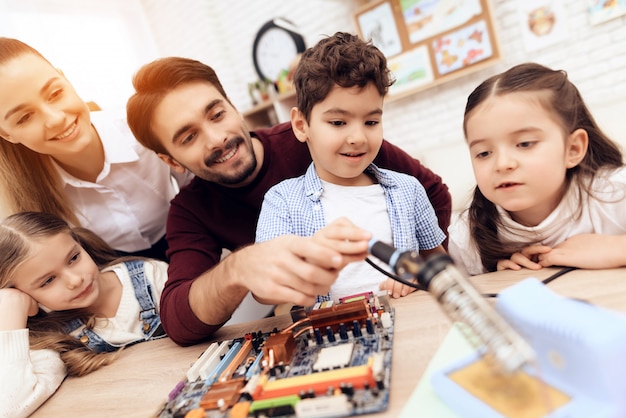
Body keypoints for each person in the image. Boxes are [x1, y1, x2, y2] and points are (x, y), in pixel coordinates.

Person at [126, 55, 452, 345]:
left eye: (216, 114)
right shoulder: (192, 209)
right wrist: (237, 270)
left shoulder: (323, 137)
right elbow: (178, 320)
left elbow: (428, 194)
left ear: (234, 106)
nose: (217, 138)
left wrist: (415, 270)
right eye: (189, 136)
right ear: (171, 160)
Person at [256, 32, 446, 302]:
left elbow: (441, 266)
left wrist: (419, 278)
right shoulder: (282, 201)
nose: (358, 137)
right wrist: (310, 255)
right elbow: (263, 293)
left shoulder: (408, 189)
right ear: (301, 125)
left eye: (371, 122)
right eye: (338, 123)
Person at [0, 37, 191, 261]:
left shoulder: (143, 127)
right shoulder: (20, 194)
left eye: (55, 94)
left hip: (189, 241)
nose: (56, 119)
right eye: (24, 117)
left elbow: (207, 191)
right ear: (6, 134)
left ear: (65, 78)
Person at [448, 62, 626, 276]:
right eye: (484, 153)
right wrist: (498, 277)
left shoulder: (614, 194)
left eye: (525, 144)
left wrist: (616, 249)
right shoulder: (466, 238)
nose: (503, 164)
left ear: (573, 149)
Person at [0, 211, 169, 418]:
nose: (74, 280)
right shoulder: (53, 338)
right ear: (25, 296)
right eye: (48, 281)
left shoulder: (152, 277)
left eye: (73, 258)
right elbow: (10, 409)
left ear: (78, 242)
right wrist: (10, 317)